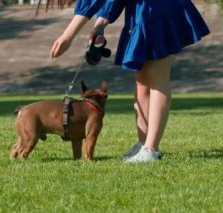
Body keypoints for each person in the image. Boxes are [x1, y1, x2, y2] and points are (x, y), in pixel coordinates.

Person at [49, 0, 210, 162]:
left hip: (160, 9)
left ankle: (152, 149)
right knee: (142, 79)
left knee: (157, 76)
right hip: (141, 11)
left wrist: (68, 35)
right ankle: (143, 145)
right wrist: (100, 25)